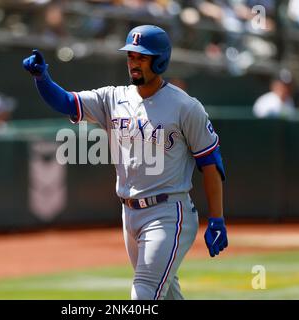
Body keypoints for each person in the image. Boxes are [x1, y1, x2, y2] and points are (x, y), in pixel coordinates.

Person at [22, 25, 228, 300]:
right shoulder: (113, 97)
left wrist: (217, 218)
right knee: (165, 295)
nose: (133, 62)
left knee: (143, 292)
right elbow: (67, 102)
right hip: (129, 213)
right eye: (130, 56)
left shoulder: (185, 107)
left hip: (168, 212)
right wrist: (42, 79)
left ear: (160, 60)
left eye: (142, 57)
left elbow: (211, 164)